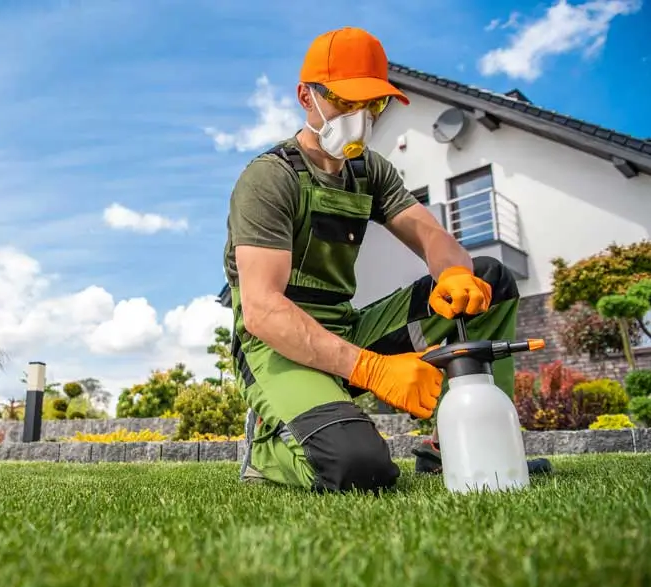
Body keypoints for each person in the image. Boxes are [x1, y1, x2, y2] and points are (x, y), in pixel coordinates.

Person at [221, 26, 551, 494]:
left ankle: (453, 447)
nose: (360, 117)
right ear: (306, 97)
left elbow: (433, 235)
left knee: (489, 280)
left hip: (350, 328)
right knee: (359, 470)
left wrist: (454, 272)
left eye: (373, 104)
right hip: (276, 346)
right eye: (344, 101)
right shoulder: (269, 179)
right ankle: (267, 450)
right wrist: (373, 370)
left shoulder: (370, 171)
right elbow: (262, 310)